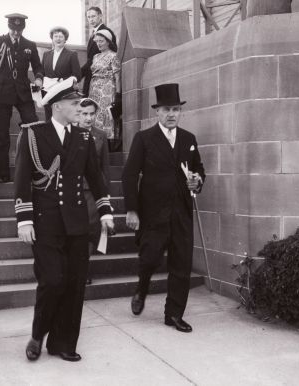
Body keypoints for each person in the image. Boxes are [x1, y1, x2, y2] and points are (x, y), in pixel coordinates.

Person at [15, 78, 114, 361]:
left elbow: (95, 178)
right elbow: (22, 179)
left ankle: (64, 343)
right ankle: (38, 335)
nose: (78, 107)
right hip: (45, 223)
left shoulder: (83, 137)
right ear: (57, 106)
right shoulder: (33, 134)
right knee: (53, 280)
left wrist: (105, 211)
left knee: (74, 283)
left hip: (77, 223)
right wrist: (24, 220)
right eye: (73, 103)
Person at [121, 83, 205, 333]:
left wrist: (197, 181)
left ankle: (174, 315)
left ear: (180, 112)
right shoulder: (144, 138)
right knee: (149, 260)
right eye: (167, 109)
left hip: (181, 213)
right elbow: (129, 175)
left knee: (181, 265)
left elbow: (199, 169)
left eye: (176, 109)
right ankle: (142, 288)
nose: (172, 114)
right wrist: (132, 210)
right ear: (157, 112)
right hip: (153, 215)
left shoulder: (189, 139)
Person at [0, 13, 43, 183]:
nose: (16, 33)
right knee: (1, 134)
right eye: (13, 29)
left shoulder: (30, 45)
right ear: (9, 27)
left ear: (23, 28)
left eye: (19, 29)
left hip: (23, 93)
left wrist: (38, 78)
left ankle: (36, 171)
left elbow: (38, 66)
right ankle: (3, 174)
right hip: (1, 93)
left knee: (34, 128)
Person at [77, 98, 111, 284]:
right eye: (84, 114)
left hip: (92, 191)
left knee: (90, 229)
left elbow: (105, 167)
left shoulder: (100, 136)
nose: (88, 118)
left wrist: (106, 194)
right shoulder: (69, 133)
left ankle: (84, 269)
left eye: (91, 114)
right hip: (73, 190)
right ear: (78, 114)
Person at [41, 26, 81, 120]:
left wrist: (67, 81)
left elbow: (77, 75)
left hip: (63, 94)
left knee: (62, 120)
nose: (58, 39)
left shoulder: (71, 54)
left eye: (61, 36)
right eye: (55, 36)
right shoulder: (46, 54)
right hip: (48, 93)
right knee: (49, 120)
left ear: (65, 39)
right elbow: (42, 72)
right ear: (52, 38)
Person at [88, 29, 121, 140]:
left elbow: (117, 77)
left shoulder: (114, 56)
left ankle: (106, 142)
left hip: (107, 88)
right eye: (97, 41)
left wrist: (118, 95)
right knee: (94, 113)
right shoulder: (95, 57)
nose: (98, 44)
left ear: (108, 42)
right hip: (94, 89)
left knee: (105, 114)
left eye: (101, 41)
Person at [81, 6, 116, 97]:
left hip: (103, 84)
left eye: (93, 16)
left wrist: (78, 75)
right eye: (88, 17)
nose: (91, 20)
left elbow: (112, 56)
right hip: (92, 79)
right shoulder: (93, 34)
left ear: (100, 16)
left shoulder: (107, 32)